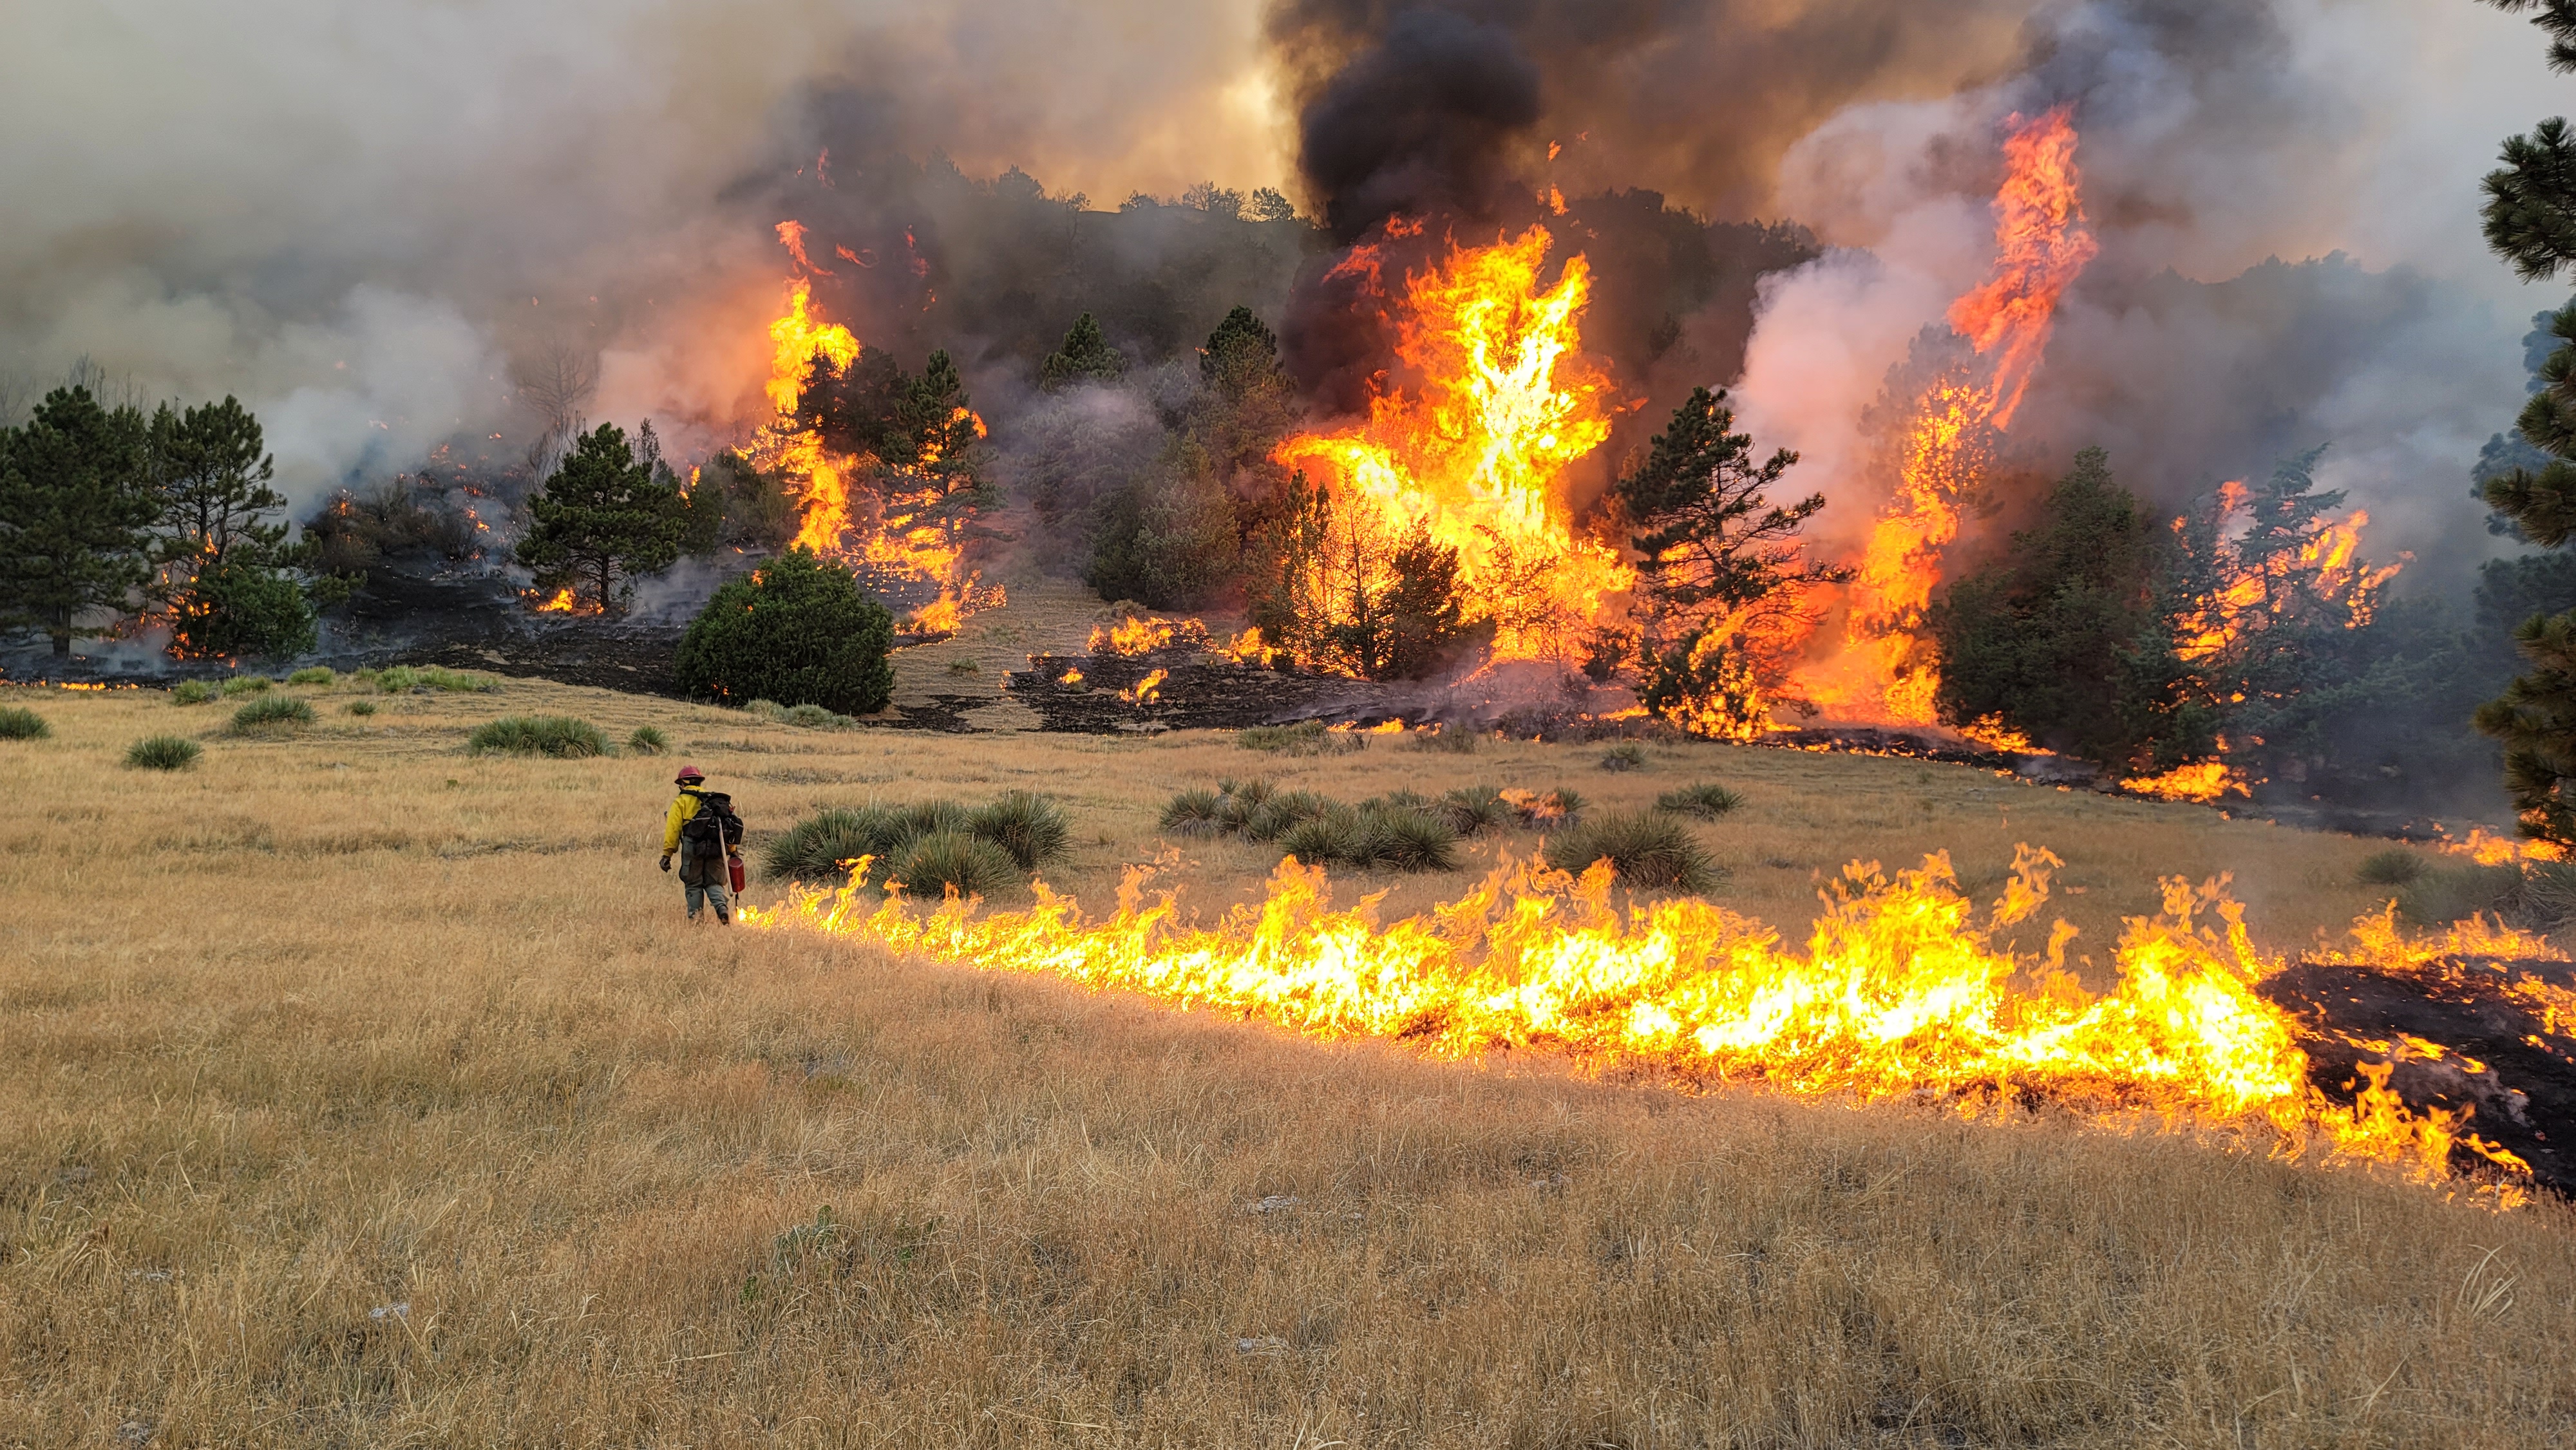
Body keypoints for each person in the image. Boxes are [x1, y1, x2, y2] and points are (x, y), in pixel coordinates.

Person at [660, 764, 742, 923]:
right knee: (715, 882)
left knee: (693, 884)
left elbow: (673, 830)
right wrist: (733, 851)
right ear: (699, 782)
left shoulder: (681, 801)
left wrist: (667, 855)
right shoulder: (714, 800)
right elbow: (725, 827)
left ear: (683, 783)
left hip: (693, 847)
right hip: (717, 846)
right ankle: (722, 910)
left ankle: (697, 921)